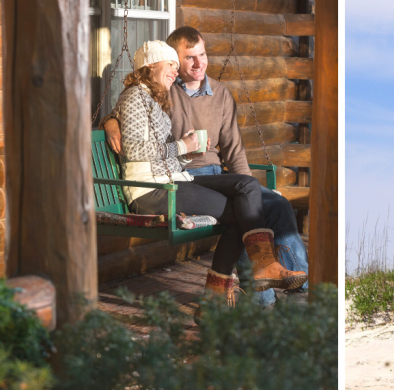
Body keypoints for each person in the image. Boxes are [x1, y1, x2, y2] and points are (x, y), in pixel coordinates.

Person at [104, 26, 309, 306]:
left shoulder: (198, 94)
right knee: (243, 211)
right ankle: (256, 291)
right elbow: (133, 129)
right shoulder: (153, 94)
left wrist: (188, 152)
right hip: (166, 184)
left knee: (258, 194)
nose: (195, 64)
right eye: (182, 60)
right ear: (155, 65)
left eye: (202, 55)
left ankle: (286, 277)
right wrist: (111, 120)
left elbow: (232, 149)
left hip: (187, 176)